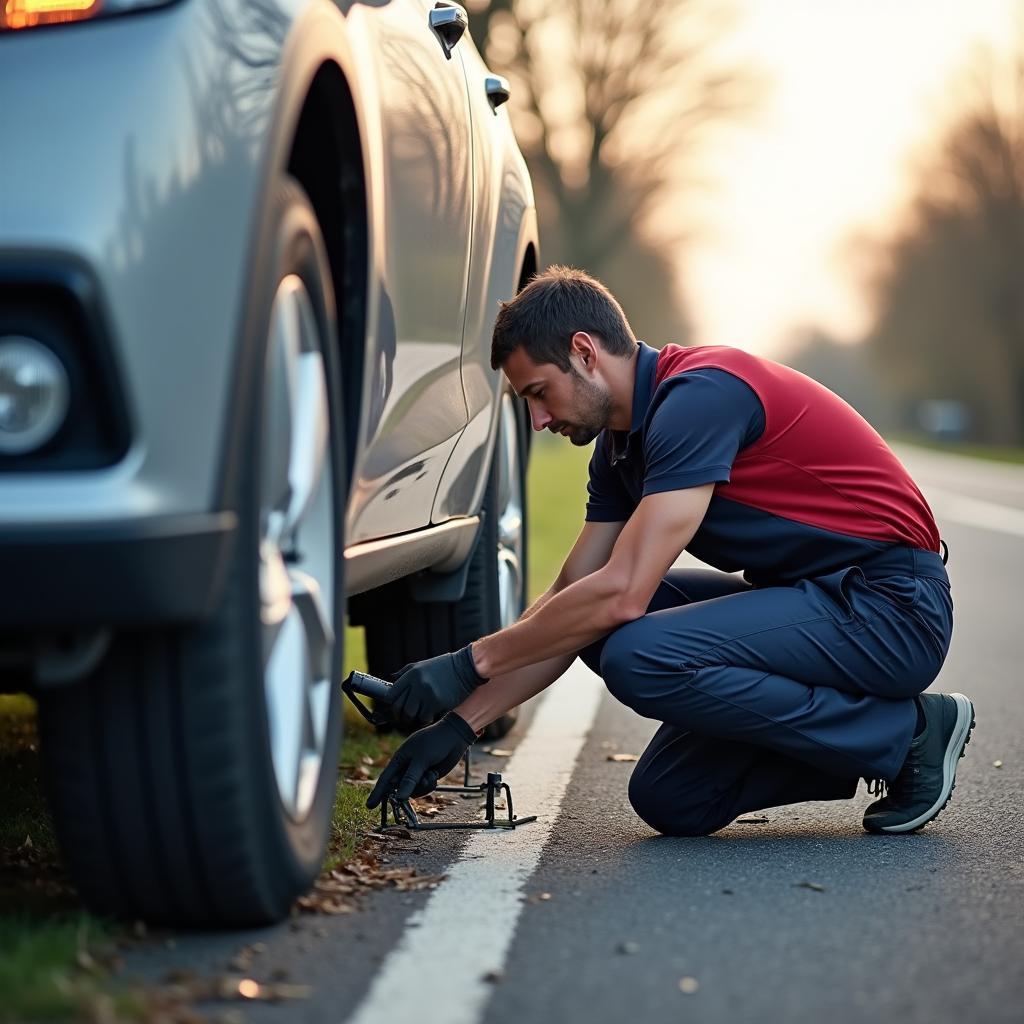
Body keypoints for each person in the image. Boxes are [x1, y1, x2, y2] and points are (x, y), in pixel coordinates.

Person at [366, 266, 975, 837]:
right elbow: (570, 595)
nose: (538, 420)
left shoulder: (700, 397)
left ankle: (910, 734)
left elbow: (623, 592)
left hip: (892, 609)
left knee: (635, 648)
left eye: (539, 393)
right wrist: (459, 724)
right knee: (673, 797)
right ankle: (873, 745)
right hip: (810, 602)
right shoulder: (618, 448)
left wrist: (465, 664)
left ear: (584, 353)